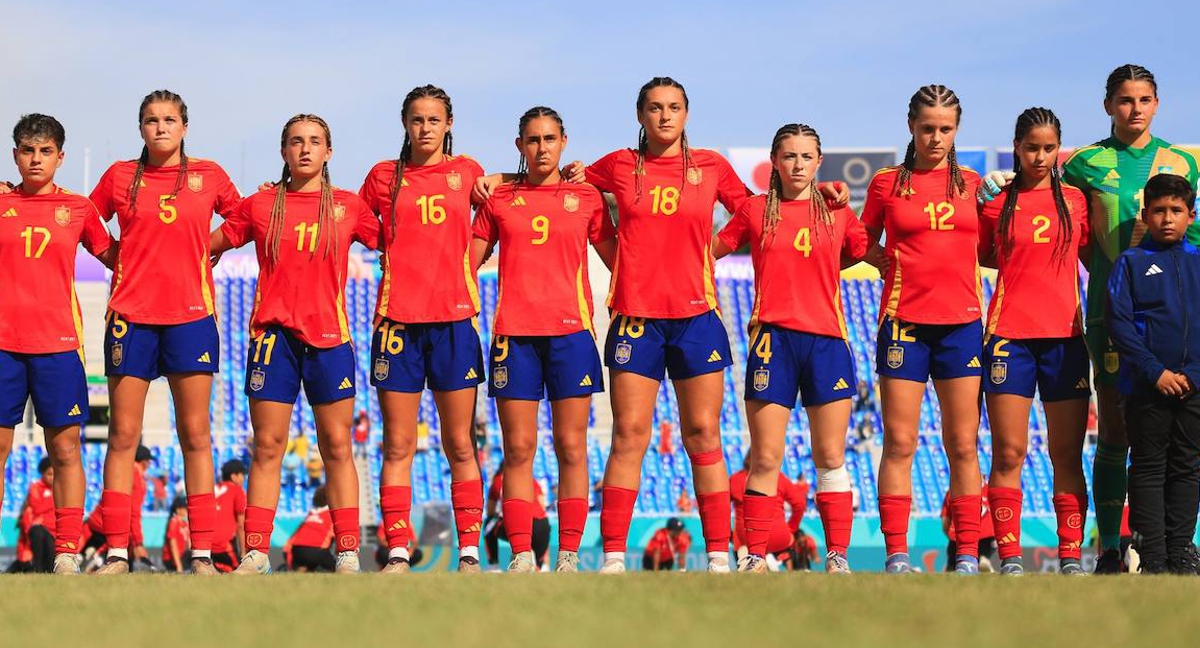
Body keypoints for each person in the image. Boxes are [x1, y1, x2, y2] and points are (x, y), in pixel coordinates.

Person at [982, 65, 1200, 574]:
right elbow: (1040, 190)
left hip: (1175, 322)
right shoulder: (1083, 164)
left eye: (1144, 99)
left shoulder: (1185, 162)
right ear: (1108, 106)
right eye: (1124, 100)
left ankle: (1174, 547)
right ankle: (1108, 550)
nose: (1135, 109)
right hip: (1110, 316)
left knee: (1176, 437)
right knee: (1118, 434)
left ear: (1157, 103)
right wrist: (1002, 181)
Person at [211, 113, 380, 575]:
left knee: (337, 444)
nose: (305, 149)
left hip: (330, 338)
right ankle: (256, 553)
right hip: (273, 339)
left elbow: (397, 242)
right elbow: (208, 245)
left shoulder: (350, 206)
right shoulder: (261, 204)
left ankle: (347, 552)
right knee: (267, 445)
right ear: (283, 152)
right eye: (295, 142)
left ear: (329, 151)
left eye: (315, 142)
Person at [85, 91, 241, 575]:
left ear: (185, 127)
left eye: (169, 119)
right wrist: (114, 259)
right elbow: (86, 221)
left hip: (192, 318)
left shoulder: (209, 175)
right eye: (151, 120)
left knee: (195, 434)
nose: (160, 128)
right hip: (130, 319)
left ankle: (201, 553)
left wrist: (208, 246)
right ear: (140, 129)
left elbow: (244, 218)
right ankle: (115, 553)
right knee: (123, 434)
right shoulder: (118, 176)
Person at [713, 123, 866, 574]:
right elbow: (709, 252)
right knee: (764, 456)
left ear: (819, 163)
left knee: (831, 455)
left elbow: (866, 251)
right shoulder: (755, 211)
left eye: (806, 157)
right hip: (771, 341)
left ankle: (837, 556)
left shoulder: (838, 211)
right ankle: (755, 557)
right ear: (774, 162)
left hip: (827, 342)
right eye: (789, 156)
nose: (797, 165)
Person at [470, 106, 614, 573]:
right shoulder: (499, 199)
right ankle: (521, 555)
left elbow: (619, 258)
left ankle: (569, 554)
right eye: (532, 140)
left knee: (571, 446)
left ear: (564, 142)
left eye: (549, 139)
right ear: (519, 146)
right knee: (517, 448)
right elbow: (464, 261)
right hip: (514, 337)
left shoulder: (587, 198)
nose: (541, 148)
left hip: (572, 336)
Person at [358, 86, 488, 574]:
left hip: (454, 323)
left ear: (448, 123)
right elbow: (351, 218)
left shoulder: (468, 172)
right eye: (417, 120)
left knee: (459, 442)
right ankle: (396, 552)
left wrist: (467, 267)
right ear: (405, 124)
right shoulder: (383, 177)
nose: (425, 128)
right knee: (397, 444)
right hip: (397, 324)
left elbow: (497, 211)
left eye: (434, 120)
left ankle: (470, 552)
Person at [862, 85, 985, 574]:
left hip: (962, 327)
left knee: (963, 444)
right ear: (911, 126)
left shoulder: (976, 184)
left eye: (946, 128)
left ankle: (970, 557)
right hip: (903, 326)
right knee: (900, 442)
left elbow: (995, 247)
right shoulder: (886, 183)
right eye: (928, 127)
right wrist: (887, 263)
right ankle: (896, 555)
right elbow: (858, 241)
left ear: (957, 129)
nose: (936, 137)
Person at [0, 114, 116, 575]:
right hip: (4, 346)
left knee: (66, 451)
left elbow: (115, 257)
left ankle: (67, 552)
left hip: (58, 346)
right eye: (27, 151)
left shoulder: (80, 209)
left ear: (60, 157)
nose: (35, 159)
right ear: (15, 156)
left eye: (45, 151)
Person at [978, 108, 1091, 576]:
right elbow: (982, 254)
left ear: (1057, 148)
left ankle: (1069, 558)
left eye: (1048, 148)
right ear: (1017, 148)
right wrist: (979, 196)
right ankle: (1009, 558)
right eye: (1031, 148)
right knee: (1009, 452)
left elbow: (1095, 253)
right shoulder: (995, 202)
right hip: (1009, 338)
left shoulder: (1077, 201)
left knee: (1065, 453)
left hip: (1066, 338)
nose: (1040, 157)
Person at [1107, 173, 1200, 574]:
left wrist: (1193, 374)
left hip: (1195, 387)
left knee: (1188, 466)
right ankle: (1155, 556)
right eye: (1158, 210)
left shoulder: (1198, 261)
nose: (1167, 218)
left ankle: (1181, 551)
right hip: (1146, 386)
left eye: (1176, 211)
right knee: (1148, 466)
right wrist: (1155, 371)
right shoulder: (1130, 263)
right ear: (1144, 215)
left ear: (1190, 215)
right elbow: (1119, 322)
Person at [728, 456, 806, 569]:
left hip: (745, 539)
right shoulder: (779, 477)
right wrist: (791, 529)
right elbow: (800, 504)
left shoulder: (735, 479)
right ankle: (771, 560)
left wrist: (730, 536)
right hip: (778, 536)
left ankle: (755, 560)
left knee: (748, 580)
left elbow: (721, 509)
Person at [482, 467, 551, 570]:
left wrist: (500, 514)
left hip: (517, 524)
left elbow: (490, 512)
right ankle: (543, 566)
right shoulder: (533, 481)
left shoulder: (499, 480)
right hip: (541, 526)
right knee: (543, 524)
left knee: (489, 523)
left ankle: (494, 565)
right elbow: (542, 507)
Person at [284, 486, 335, 573]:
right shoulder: (331, 514)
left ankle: (302, 569)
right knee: (335, 569)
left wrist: (291, 564)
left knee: (307, 570)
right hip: (318, 551)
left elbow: (289, 543)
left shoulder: (310, 514)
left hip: (297, 550)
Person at [18, 459, 57, 572]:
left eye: (54, 474)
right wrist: (52, 499)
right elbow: (37, 508)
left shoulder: (60, 487)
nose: (52, 477)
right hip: (40, 531)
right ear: (42, 473)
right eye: (49, 474)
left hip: (54, 532)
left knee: (51, 549)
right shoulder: (36, 487)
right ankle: (37, 569)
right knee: (38, 532)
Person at [212, 459, 247, 572]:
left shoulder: (213, 488)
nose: (244, 478)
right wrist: (243, 552)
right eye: (242, 475)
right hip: (224, 546)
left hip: (205, 547)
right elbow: (241, 524)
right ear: (234, 476)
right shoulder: (237, 490)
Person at [162, 497, 190, 573]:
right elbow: (173, 546)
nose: (187, 509)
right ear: (178, 510)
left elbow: (189, 544)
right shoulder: (173, 522)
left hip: (181, 555)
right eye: (184, 507)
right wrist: (179, 566)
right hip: (171, 559)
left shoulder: (185, 524)